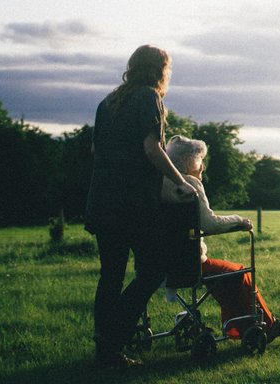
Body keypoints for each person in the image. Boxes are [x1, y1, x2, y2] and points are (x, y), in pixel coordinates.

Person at [84, 45, 196, 369]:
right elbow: (152, 148)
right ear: (159, 70)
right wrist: (181, 181)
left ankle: (105, 351)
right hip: (132, 203)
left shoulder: (108, 103)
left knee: (111, 276)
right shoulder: (149, 98)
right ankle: (112, 339)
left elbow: (96, 149)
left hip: (102, 200)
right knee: (152, 271)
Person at [161, 135, 280, 343]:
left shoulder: (160, 183)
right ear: (189, 162)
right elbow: (210, 224)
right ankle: (266, 325)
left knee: (224, 276)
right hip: (189, 264)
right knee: (239, 273)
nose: (203, 167)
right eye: (200, 160)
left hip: (161, 264)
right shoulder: (190, 184)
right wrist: (239, 221)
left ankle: (237, 329)